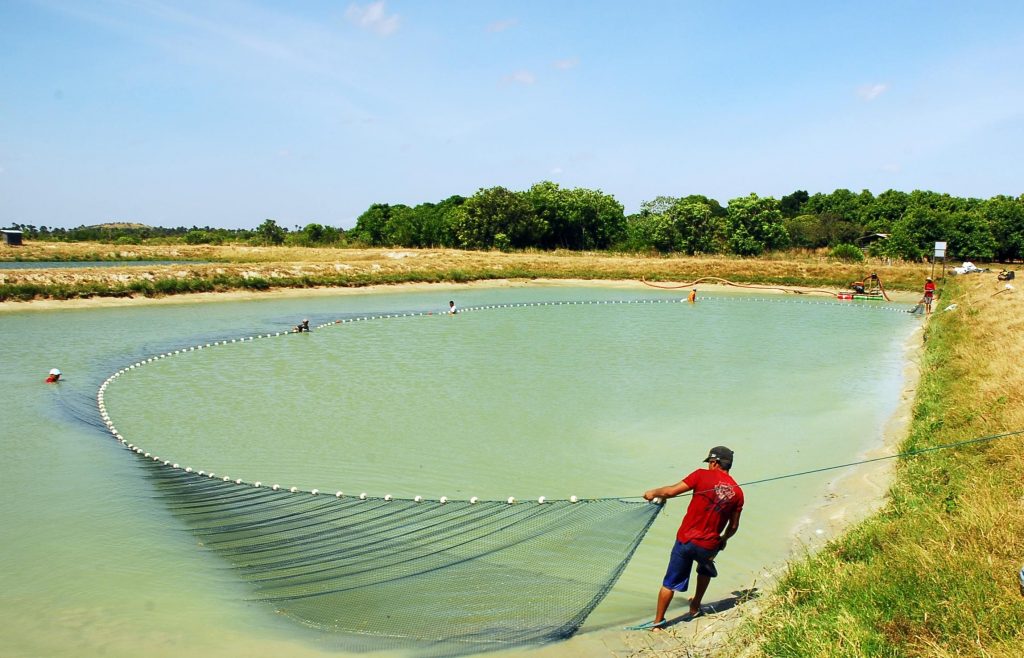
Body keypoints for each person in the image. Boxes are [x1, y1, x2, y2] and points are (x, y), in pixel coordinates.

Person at [640, 446, 744, 629]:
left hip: (685, 540)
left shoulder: (700, 475)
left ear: (714, 462)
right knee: (704, 570)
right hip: (708, 545)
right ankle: (695, 607)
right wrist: (724, 539)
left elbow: (671, 492)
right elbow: (734, 526)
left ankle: (657, 624)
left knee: (669, 583)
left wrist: (652, 493)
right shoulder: (738, 493)